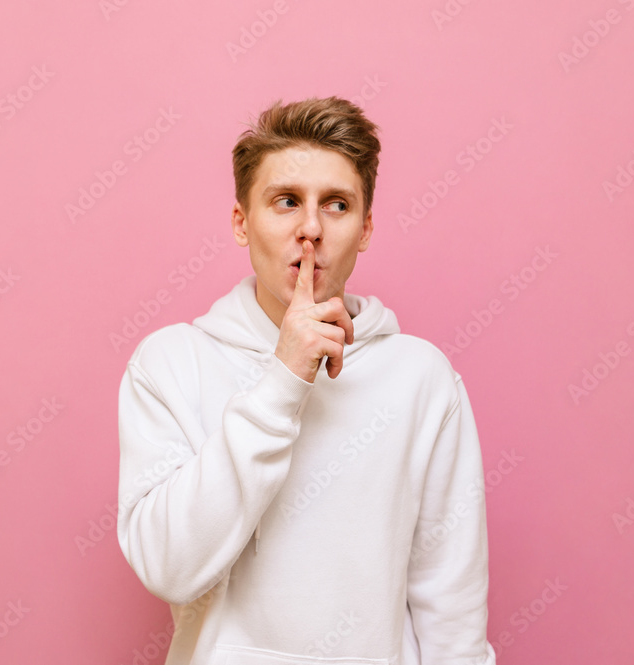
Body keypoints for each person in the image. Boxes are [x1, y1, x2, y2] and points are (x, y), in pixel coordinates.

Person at [116, 95, 496, 665]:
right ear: (242, 222)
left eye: (337, 205)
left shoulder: (422, 378)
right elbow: (168, 567)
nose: (311, 228)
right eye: (287, 201)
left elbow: (452, 608)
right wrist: (283, 379)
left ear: (365, 228)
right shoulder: (169, 363)